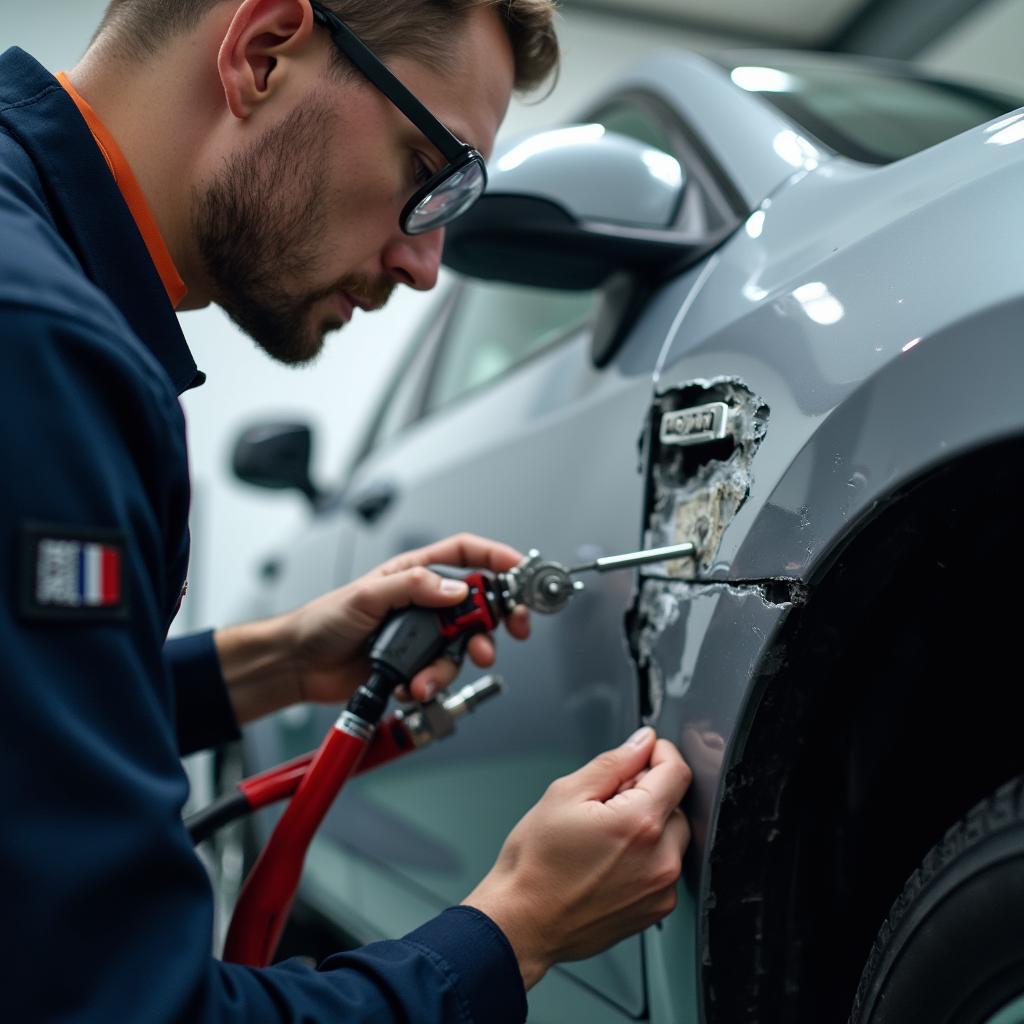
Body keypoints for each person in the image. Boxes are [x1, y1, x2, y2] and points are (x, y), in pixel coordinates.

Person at [0, 1, 692, 1020]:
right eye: (430, 173)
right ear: (265, 51)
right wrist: (513, 929)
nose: (425, 264)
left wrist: (271, 663)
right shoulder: (42, 348)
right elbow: (122, 1005)